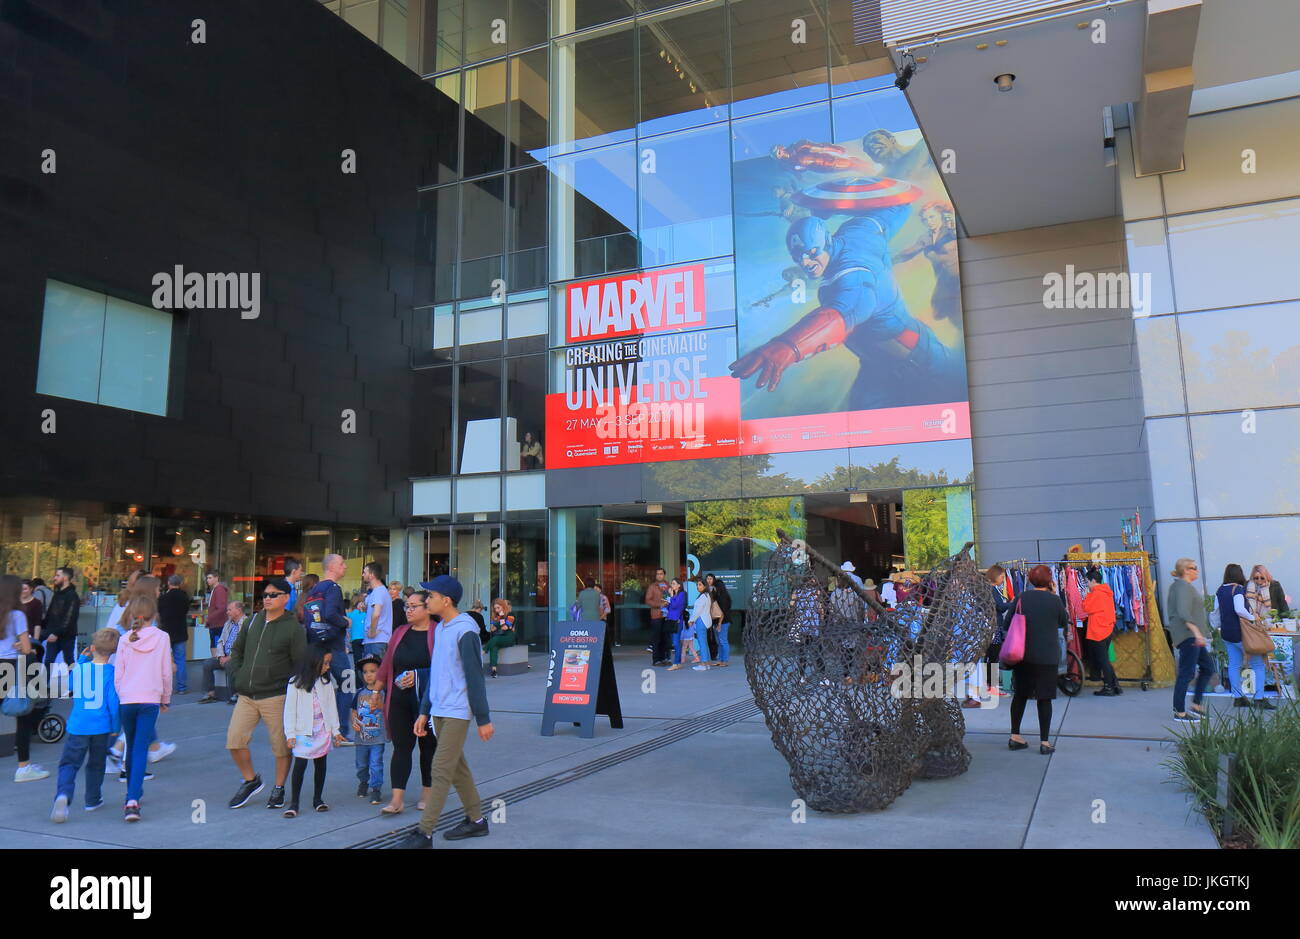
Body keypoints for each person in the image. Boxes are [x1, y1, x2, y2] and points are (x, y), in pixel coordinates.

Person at [728, 210, 966, 412]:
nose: (806, 263)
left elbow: (842, 314)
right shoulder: (859, 230)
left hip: (922, 363)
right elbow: (896, 206)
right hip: (878, 368)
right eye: (798, 258)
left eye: (811, 254)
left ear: (827, 243)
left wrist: (789, 345)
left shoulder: (854, 273)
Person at [398, 575, 494, 847]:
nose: (426, 600)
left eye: (430, 596)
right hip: (439, 707)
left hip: (457, 709)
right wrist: (424, 710)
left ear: (446, 600)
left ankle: (424, 832)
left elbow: (475, 676)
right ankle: (476, 821)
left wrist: (483, 718)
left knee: (440, 768)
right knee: (456, 768)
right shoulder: (441, 628)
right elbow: (438, 674)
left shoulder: (465, 630)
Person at [225, 577, 305, 810]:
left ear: (285, 598)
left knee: (281, 747)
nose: (267, 599)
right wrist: (238, 674)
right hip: (247, 695)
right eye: (265, 595)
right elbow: (237, 650)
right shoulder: (252, 621)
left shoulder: (293, 628)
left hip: (276, 695)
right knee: (234, 741)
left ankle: (279, 788)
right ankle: (251, 781)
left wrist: (290, 690)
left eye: (273, 595)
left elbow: (299, 663)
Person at [374, 589, 436, 815]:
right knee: (401, 748)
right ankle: (397, 799)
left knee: (428, 747)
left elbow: (445, 669)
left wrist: (419, 674)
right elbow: (386, 664)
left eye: (413, 606)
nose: (408, 610)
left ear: (427, 608)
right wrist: (375, 692)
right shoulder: (400, 632)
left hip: (426, 701)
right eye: (406, 606)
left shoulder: (438, 633)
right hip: (398, 698)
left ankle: (427, 793)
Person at [50, 628, 121, 821]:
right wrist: (116, 727)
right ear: (114, 651)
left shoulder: (81, 668)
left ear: (92, 647)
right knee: (96, 764)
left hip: (78, 726)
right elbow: (114, 704)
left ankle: (63, 795)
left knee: (69, 764)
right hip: (101, 727)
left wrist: (81, 661)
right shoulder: (111, 673)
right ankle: (92, 799)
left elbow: (71, 686)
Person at [114, 593, 172, 822]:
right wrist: (165, 698)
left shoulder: (125, 639)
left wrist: (123, 693)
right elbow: (166, 671)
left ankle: (133, 793)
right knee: (140, 748)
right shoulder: (162, 637)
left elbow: (119, 673)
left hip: (127, 699)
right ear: (154, 614)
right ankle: (132, 800)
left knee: (131, 746)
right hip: (150, 699)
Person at [1006, 565, 1068, 755]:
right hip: (1047, 655)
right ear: (1050, 581)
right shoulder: (1055, 601)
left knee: (1020, 695)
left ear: (1031, 580)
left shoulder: (1021, 598)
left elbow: (1008, 622)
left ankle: (1015, 736)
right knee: (1044, 698)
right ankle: (1044, 742)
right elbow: (1063, 622)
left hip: (1022, 654)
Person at [281, 644, 344, 817]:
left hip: (322, 731)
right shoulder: (295, 683)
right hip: (303, 732)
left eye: (329, 663)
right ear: (313, 662)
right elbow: (289, 710)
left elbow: (332, 707)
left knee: (320, 764)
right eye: (325, 663)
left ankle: (318, 799)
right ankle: (294, 803)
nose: (328, 667)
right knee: (300, 764)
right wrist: (290, 734)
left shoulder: (326, 683)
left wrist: (335, 731)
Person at [303, 554, 354, 742]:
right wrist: (345, 622)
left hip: (316, 645)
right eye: (342, 563)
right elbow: (331, 613)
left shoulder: (314, 589)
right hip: (334, 646)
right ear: (332, 566)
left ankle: (318, 728)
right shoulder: (333, 588)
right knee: (348, 684)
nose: (345, 567)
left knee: (320, 686)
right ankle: (341, 731)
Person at [2, 575, 47, 783]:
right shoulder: (17, 614)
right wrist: (19, 645)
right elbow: (28, 648)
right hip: (10, 667)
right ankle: (23, 767)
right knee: (23, 715)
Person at [1215, 563, 1272, 710]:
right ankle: (1259, 699)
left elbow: (1216, 610)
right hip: (1241, 633)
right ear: (1239, 575)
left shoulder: (1220, 590)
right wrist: (1253, 617)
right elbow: (1239, 609)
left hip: (1227, 633)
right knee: (1258, 664)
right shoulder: (1238, 589)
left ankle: (1238, 697)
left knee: (1234, 665)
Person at [1166, 558, 1212, 722]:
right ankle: (1179, 711)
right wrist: (1196, 632)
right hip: (1189, 635)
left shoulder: (1181, 587)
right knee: (1187, 672)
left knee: (1207, 667)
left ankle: (1197, 705)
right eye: (1194, 568)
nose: (1196, 571)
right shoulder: (1183, 587)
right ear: (1186, 570)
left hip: (1192, 635)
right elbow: (1183, 612)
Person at [351, 656, 385, 804]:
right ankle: (363, 782)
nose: (368, 674)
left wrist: (378, 705)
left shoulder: (383, 693)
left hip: (378, 737)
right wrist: (354, 722)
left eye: (373, 671)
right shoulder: (359, 693)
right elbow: (354, 710)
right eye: (365, 672)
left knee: (376, 763)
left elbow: (387, 709)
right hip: (361, 738)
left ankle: (376, 788)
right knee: (361, 764)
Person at [1081, 568, 1120, 696]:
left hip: (1098, 630)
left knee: (1102, 660)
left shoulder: (1096, 593)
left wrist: (1087, 595)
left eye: (1087, 581)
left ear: (1093, 580)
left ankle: (1109, 687)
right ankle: (1114, 685)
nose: (1087, 584)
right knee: (1105, 659)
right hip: (1106, 628)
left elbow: (1086, 608)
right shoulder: (1105, 592)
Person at [199, 600, 245, 703]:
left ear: (238, 610)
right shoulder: (228, 623)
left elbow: (243, 646)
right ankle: (211, 693)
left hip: (237, 657)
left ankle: (235, 694)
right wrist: (220, 656)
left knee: (230, 665)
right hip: (224, 656)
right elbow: (220, 641)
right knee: (207, 663)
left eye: (229, 610)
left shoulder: (246, 623)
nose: (227, 612)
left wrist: (229, 657)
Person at [157, 574, 191, 695]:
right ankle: (182, 687)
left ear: (169, 583)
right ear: (180, 583)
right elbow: (186, 610)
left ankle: (164, 688)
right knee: (180, 659)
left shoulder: (164, 597)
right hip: (180, 631)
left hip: (166, 631)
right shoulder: (184, 596)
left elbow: (159, 611)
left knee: (163, 660)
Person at [41, 566, 80, 668]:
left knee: (68, 661)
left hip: (66, 635)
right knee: (49, 661)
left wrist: (55, 633)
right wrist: (44, 628)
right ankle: (43, 683)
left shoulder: (72, 595)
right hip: (54, 633)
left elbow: (69, 618)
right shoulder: (58, 594)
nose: (55, 578)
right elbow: (50, 614)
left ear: (65, 578)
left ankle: (73, 682)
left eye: (58, 575)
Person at [362, 561, 392, 660]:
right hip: (378, 640)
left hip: (376, 640)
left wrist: (372, 631)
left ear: (371, 575)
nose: (363, 575)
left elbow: (376, 614)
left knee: (374, 672)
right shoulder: (380, 591)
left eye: (365, 572)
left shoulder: (378, 591)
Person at [483, 598, 517, 678]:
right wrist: (495, 623)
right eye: (495, 608)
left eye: (498, 608)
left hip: (509, 638)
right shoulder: (496, 616)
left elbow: (505, 627)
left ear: (503, 607)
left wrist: (500, 619)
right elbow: (491, 628)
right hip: (499, 637)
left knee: (495, 640)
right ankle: (494, 670)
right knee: (494, 647)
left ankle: (483, 651)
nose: (497, 610)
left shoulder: (511, 615)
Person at [706, 573, 732, 667]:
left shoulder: (723, 597)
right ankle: (720, 659)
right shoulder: (717, 596)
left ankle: (724, 660)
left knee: (723, 641)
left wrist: (720, 623)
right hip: (717, 622)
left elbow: (723, 612)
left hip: (723, 622)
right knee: (719, 641)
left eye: (715, 587)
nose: (714, 588)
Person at [645, 569, 670, 666]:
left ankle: (665, 658)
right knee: (657, 638)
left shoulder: (668, 585)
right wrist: (660, 605)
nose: (659, 575)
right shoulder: (652, 586)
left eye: (661, 574)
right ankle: (656, 659)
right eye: (657, 574)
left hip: (667, 615)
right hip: (656, 615)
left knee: (666, 638)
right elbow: (648, 600)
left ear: (664, 575)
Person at [686, 580, 712, 672]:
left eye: (700, 585)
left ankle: (703, 664)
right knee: (704, 642)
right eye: (697, 585)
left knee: (702, 643)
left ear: (705, 586)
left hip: (701, 620)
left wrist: (691, 620)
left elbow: (697, 611)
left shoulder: (702, 597)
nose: (698, 586)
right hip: (705, 620)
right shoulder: (706, 595)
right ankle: (707, 663)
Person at [203, 571, 229, 654]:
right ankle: (216, 663)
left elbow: (221, 608)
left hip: (218, 624)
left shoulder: (219, 590)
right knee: (214, 646)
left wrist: (209, 618)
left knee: (216, 646)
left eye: (210, 578)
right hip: (216, 623)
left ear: (216, 578)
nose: (208, 580)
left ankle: (217, 664)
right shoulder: (216, 589)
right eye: (207, 578)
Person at [664, 579, 688, 667]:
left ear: (679, 585)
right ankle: (678, 662)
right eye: (671, 583)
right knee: (675, 641)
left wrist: (671, 596)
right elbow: (670, 608)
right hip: (671, 619)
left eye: (674, 583)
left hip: (677, 621)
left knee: (676, 642)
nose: (672, 585)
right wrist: (667, 603)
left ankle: (676, 663)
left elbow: (675, 606)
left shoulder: (682, 594)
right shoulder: (675, 595)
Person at [348, 595, 367, 662]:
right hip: (365, 639)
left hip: (354, 639)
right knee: (366, 660)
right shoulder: (365, 614)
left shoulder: (349, 614)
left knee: (357, 660)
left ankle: (357, 672)